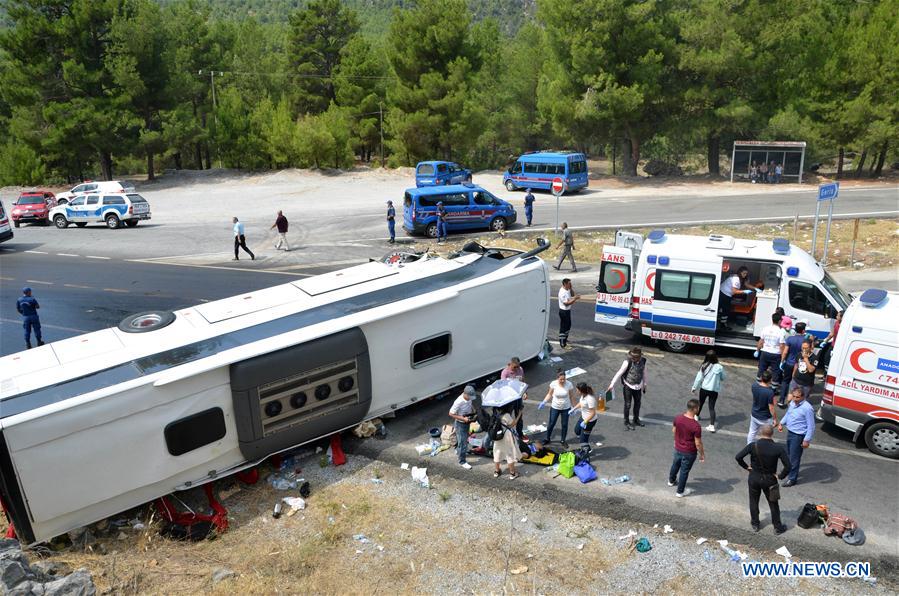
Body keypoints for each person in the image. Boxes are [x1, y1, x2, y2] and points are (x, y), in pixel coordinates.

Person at [735, 424, 790, 534]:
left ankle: (755, 524)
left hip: (754, 477)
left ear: (760, 433)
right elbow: (788, 466)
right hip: (770, 479)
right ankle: (777, 527)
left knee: (754, 501)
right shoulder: (778, 448)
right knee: (773, 503)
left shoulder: (753, 445)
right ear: (772, 434)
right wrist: (780, 476)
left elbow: (738, 457)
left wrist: (747, 467)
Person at [777, 386, 815, 486]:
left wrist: (806, 440)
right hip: (790, 433)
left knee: (794, 458)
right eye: (793, 396)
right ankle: (788, 471)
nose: (794, 399)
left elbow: (811, 426)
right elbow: (788, 414)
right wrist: (781, 423)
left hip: (798, 436)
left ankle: (792, 479)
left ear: (803, 397)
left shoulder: (808, 408)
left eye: (797, 397)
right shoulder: (793, 403)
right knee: (789, 455)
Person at [668, 399, 704, 497]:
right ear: (695, 409)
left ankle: (671, 481)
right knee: (684, 471)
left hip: (678, 448)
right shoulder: (696, 426)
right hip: (689, 452)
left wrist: (675, 442)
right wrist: (702, 454)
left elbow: (674, 430)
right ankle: (680, 491)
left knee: (675, 465)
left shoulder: (678, 418)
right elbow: (698, 443)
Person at [607, 346, 648, 431]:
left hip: (638, 386)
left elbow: (644, 373)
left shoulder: (643, 361)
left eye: (634, 358)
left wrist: (645, 384)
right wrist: (612, 384)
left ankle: (636, 419)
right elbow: (619, 373)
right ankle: (626, 421)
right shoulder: (627, 362)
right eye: (632, 357)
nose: (632, 359)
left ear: (639, 357)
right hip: (628, 386)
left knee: (638, 403)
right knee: (628, 404)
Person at [691, 350, 726, 433]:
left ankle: (696, 416)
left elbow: (699, 378)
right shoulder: (719, 367)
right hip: (714, 390)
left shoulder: (703, 366)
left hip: (704, 389)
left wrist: (694, 387)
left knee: (701, 403)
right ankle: (712, 426)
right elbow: (723, 377)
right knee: (711, 407)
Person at [539, 369, 576, 446]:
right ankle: (547, 438)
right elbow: (549, 394)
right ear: (557, 378)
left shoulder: (569, 384)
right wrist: (544, 402)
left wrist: (574, 407)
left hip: (566, 408)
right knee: (551, 423)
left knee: (564, 424)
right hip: (555, 407)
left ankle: (563, 440)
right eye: (561, 379)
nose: (562, 381)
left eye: (564, 379)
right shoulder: (553, 384)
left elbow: (572, 396)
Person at [449, 385, 477, 470]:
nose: (470, 399)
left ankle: (458, 451)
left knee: (462, 441)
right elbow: (451, 413)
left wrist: (473, 410)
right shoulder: (458, 401)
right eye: (470, 397)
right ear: (465, 394)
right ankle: (462, 461)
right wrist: (463, 418)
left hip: (467, 421)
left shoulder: (468, 399)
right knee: (463, 443)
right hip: (460, 424)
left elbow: (470, 404)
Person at [757, 313, 787, 391]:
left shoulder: (765, 329)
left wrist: (757, 350)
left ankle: (759, 385)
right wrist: (783, 359)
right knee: (775, 372)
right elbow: (781, 346)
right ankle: (773, 389)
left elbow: (761, 341)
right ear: (780, 321)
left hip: (765, 352)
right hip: (776, 354)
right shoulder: (781, 332)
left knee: (761, 369)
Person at [778, 323, 807, 406]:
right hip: (799, 365)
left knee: (785, 381)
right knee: (797, 383)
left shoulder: (790, 339)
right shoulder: (805, 340)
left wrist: (782, 361)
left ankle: (781, 400)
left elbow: (785, 352)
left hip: (789, 363)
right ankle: (795, 401)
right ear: (803, 330)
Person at [747, 371, 778, 443]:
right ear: (770, 380)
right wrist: (775, 419)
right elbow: (771, 407)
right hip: (765, 418)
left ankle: (749, 446)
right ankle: (764, 448)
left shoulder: (754, 386)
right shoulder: (769, 392)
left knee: (752, 432)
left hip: (755, 414)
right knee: (766, 435)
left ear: (761, 378)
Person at [493, 405, 523, 480]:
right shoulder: (506, 415)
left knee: (497, 452)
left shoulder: (495, 414)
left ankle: (497, 471)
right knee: (510, 454)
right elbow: (512, 424)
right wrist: (519, 414)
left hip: (497, 436)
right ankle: (512, 473)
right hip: (506, 436)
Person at [501, 357, 526, 435]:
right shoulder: (505, 372)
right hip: (510, 399)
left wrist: (524, 392)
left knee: (519, 416)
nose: (516, 369)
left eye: (518, 366)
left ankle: (520, 433)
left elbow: (523, 381)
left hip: (518, 397)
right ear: (510, 364)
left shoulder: (520, 369)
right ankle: (508, 434)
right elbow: (503, 386)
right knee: (508, 417)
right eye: (514, 367)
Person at [571, 382, 598, 448]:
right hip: (583, 417)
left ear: (581, 390)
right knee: (577, 430)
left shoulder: (590, 399)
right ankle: (582, 437)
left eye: (577, 390)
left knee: (583, 441)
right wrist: (574, 409)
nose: (576, 391)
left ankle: (587, 449)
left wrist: (585, 422)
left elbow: (593, 413)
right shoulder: (583, 396)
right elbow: (581, 403)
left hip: (589, 421)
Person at [557, 278, 581, 350]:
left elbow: (572, 294)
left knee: (568, 325)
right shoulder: (562, 292)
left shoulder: (568, 289)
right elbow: (567, 304)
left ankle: (565, 339)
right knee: (564, 327)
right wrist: (575, 299)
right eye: (569, 284)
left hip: (567, 311)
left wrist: (571, 289)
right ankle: (562, 343)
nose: (571, 285)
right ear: (565, 284)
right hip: (563, 311)